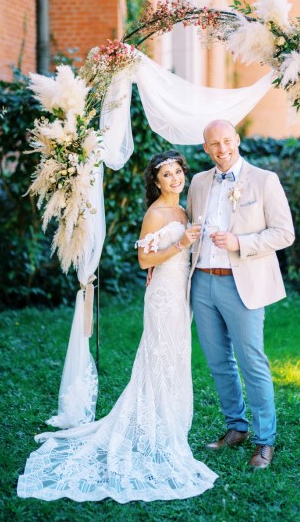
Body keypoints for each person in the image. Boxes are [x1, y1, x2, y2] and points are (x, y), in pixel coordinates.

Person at [17, 150, 217, 503]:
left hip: (180, 291)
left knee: (175, 356)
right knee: (158, 356)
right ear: (155, 182)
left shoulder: (183, 210)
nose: (175, 178)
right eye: (166, 175)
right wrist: (181, 242)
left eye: (178, 172)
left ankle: (167, 417)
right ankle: (151, 424)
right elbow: (144, 260)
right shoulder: (155, 214)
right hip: (163, 296)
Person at [187, 120, 295, 469]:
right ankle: (236, 427)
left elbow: (284, 233)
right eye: (214, 144)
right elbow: (189, 227)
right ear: (206, 148)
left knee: (252, 362)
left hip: (242, 283)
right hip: (202, 282)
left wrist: (241, 243)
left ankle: (265, 441)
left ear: (237, 140)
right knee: (218, 362)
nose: (222, 148)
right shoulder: (199, 182)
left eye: (227, 141)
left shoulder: (265, 180)